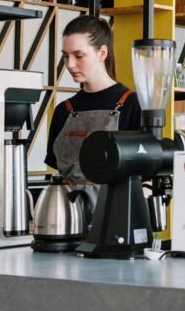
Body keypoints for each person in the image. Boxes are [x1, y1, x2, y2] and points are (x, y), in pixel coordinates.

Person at [46, 15, 141, 209]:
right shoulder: (63, 111)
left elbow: (145, 178)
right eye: (66, 56)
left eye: (79, 56)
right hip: (67, 219)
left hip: (116, 220)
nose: (70, 64)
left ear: (102, 53)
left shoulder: (132, 104)